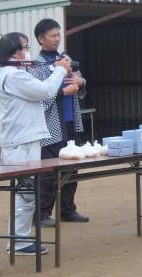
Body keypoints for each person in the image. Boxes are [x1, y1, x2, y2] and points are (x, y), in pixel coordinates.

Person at [0, 32, 71, 255]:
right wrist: (60, 69)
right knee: (25, 193)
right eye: (25, 47)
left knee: (26, 192)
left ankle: (19, 239)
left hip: (23, 139)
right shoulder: (14, 76)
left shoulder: (14, 73)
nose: (28, 51)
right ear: (15, 52)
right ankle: (19, 241)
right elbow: (46, 91)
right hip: (22, 142)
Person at [29, 19, 89, 227]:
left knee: (72, 167)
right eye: (52, 35)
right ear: (40, 39)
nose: (57, 39)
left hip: (70, 120)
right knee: (48, 171)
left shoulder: (65, 59)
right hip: (50, 126)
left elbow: (81, 83)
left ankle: (67, 209)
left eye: (58, 34)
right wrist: (64, 91)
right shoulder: (35, 66)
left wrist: (80, 83)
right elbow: (38, 97)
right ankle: (42, 213)